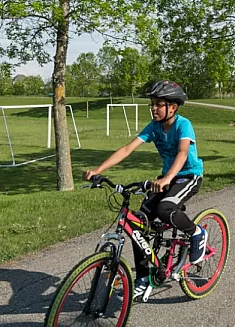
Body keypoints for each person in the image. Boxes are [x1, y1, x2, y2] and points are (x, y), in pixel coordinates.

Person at [84, 79, 207, 301]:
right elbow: (127, 149)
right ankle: (143, 277)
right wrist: (97, 170)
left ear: (173, 107)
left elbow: (182, 153)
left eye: (158, 104)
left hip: (188, 175)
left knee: (165, 208)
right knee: (137, 224)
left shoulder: (183, 124)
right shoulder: (154, 127)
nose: (153, 108)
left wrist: (168, 177)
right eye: (152, 104)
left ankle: (197, 233)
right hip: (166, 178)